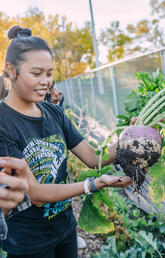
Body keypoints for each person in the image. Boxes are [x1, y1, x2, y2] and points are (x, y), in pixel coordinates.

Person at [0, 25, 132, 258]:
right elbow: (35, 194)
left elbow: (94, 158)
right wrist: (91, 185)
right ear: (11, 70)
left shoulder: (54, 113)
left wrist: (131, 137)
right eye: (36, 73)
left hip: (65, 230)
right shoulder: (3, 122)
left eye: (49, 74)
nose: (46, 82)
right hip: (28, 243)